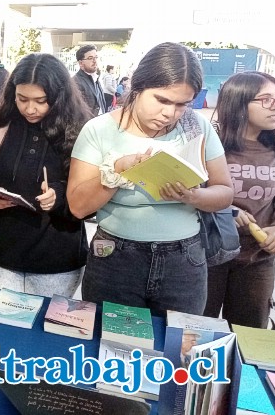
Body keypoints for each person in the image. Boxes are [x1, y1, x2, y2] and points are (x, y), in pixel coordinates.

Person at [67, 42, 233, 315]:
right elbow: (78, 206)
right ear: (137, 86)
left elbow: (225, 191)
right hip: (115, 259)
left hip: (184, 262)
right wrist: (118, 170)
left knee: (176, 348)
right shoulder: (99, 130)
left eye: (183, 104)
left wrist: (194, 196)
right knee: (115, 345)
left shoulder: (197, 126)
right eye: (162, 100)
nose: (171, 113)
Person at [0, 53, 92, 296]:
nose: (30, 109)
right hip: (0, 256)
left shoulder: (81, 133)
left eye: (41, 101)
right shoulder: (0, 126)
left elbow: (91, 199)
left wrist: (59, 196)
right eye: (22, 99)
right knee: (2, 326)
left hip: (56, 262)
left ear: (58, 97)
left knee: (44, 331)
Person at [203, 71, 275, 328]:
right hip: (207, 255)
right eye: (266, 99)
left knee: (249, 336)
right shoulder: (209, 144)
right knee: (197, 331)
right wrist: (226, 210)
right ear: (239, 102)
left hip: (256, 259)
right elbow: (190, 191)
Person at [73, 44, 107, 116]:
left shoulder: (96, 79)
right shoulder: (76, 82)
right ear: (81, 63)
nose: (95, 61)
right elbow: (77, 111)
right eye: (90, 58)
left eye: (96, 57)